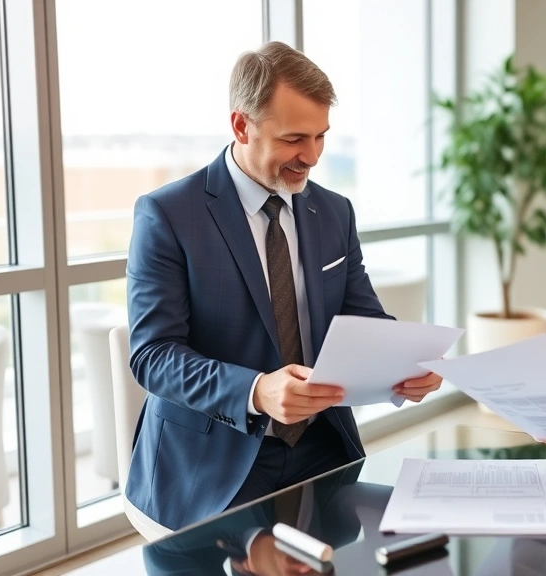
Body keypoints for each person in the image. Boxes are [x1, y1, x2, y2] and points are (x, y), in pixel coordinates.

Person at [126, 41, 442, 531]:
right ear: (240, 125)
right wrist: (255, 391)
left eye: (321, 137)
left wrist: (408, 364)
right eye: (296, 138)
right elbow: (153, 356)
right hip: (214, 461)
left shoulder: (333, 211)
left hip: (321, 446)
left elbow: (362, 317)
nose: (312, 157)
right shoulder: (168, 214)